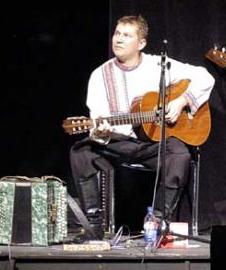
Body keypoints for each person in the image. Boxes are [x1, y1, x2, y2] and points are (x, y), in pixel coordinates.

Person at [69, 15, 215, 239]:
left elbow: (205, 77)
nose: (118, 39)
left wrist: (181, 101)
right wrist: (100, 131)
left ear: (141, 43)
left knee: (180, 155)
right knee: (81, 152)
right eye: (117, 33)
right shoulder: (100, 75)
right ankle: (93, 226)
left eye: (126, 35)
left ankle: (158, 224)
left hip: (153, 145)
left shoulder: (158, 65)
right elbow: (97, 118)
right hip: (120, 142)